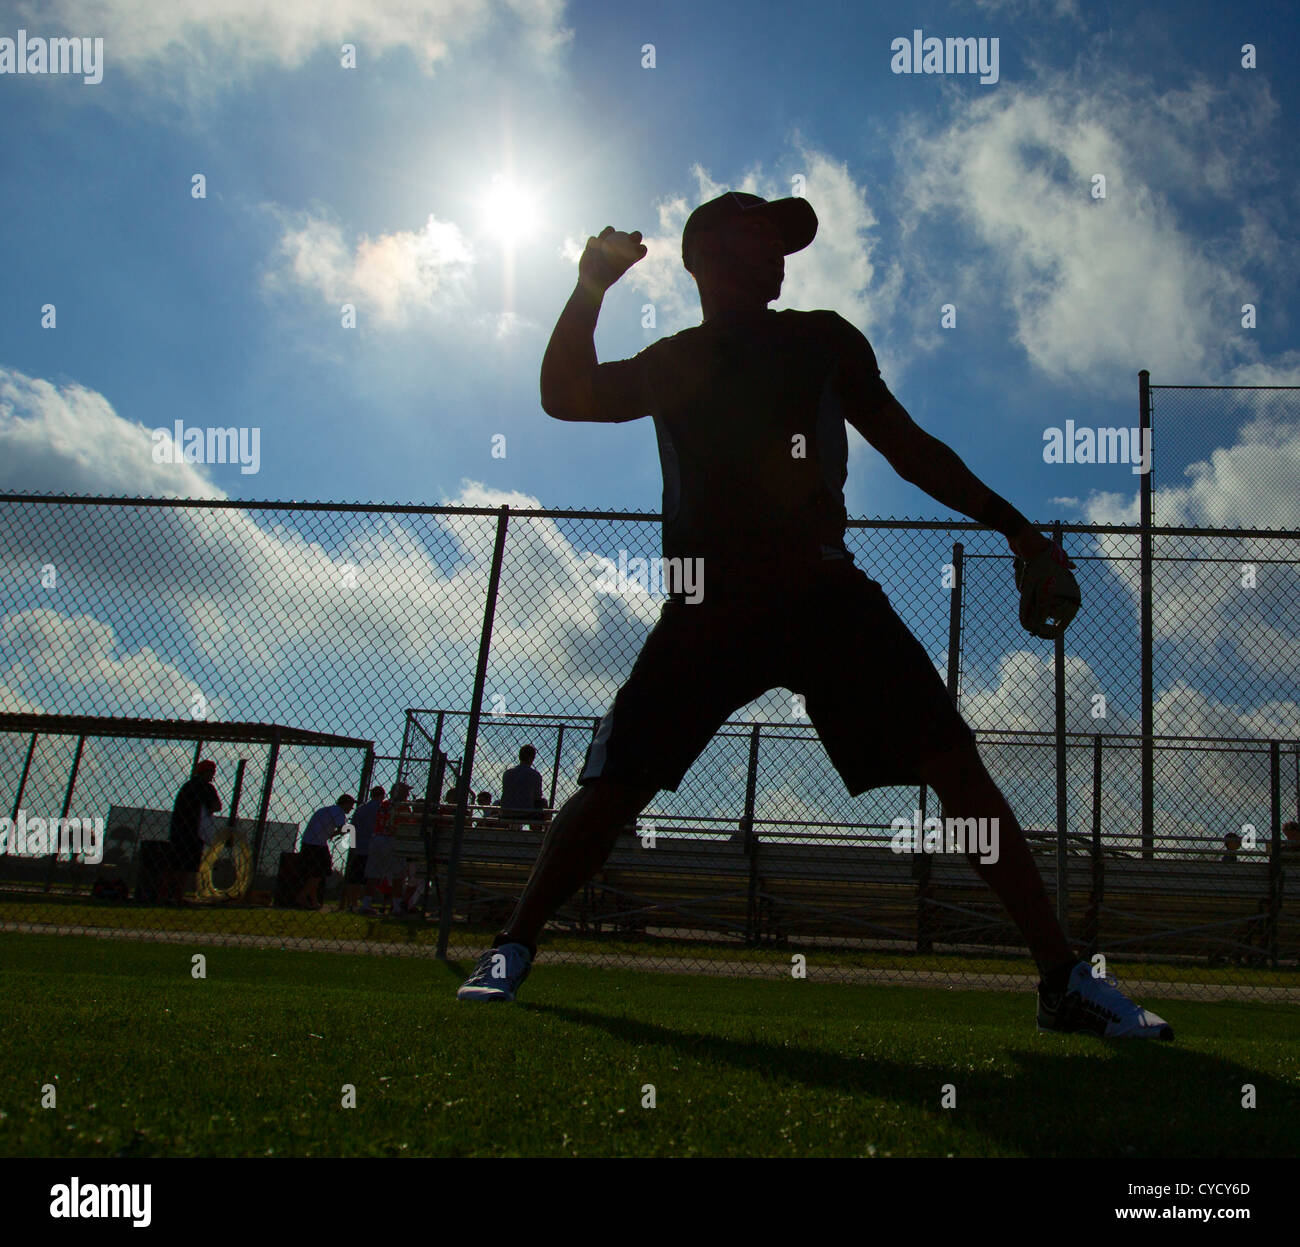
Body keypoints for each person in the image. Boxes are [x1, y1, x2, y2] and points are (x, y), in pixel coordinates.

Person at [457, 191, 1173, 1041]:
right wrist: (591, 286)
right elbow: (563, 394)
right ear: (711, 253)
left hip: (822, 590)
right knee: (613, 788)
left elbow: (910, 449)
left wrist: (1017, 528)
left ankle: (1063, 980)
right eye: (764, 238)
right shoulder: (679, 359)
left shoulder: (822, 338)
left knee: (958, 769)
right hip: (709, 599)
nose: (781, 256)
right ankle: (510, 949)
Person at [164, 759, 221, 904]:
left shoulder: (187, 786)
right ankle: (177, 895)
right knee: (186, 866)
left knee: (176, 864)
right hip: (194, 830)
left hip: (179, 829)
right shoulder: (206, 788)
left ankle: (167, 894)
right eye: (210, 772)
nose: (212, 775)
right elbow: (216, 806)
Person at [360, 782, 415, 916]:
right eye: (405, 792)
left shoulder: (384, 804)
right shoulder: (403, 807)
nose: (407, 794)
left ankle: (366, 904)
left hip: (377, 838)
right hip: (393, 840)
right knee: (398, 876)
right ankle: (396, 907)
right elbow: (407, 825)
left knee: (374, 874)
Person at [296, 794, 355, 909]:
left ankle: (313, 901)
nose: (351, 808)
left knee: (315, 874)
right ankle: (302, 896)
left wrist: (332, 834)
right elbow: (342, 828)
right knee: (320, 873)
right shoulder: (338, 811)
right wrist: (351, 828)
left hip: (310, 842)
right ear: (345, 803)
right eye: (350, 805)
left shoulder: (327, 810)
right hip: (317, 844)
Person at [342, 786, 384, 911]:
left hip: (360, 846)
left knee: (355, 877)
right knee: (371, 877)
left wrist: (353, 845)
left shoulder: (361, 809)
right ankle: (366, 903)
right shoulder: (382, 809)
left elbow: (352, 827)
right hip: (375, 845)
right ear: (382, 796)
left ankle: (352, 903)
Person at [500, 745, 545, 830]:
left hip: (507, 812)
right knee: (542, 803)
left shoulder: (507, 773)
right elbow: (537, 797)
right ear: (532, 758)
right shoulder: (535, 775)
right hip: (526, 812)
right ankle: (538, 831)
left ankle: (508, 828)